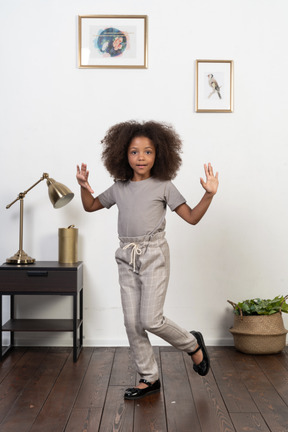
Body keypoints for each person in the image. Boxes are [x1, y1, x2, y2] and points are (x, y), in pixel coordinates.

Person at [76, 120, 219, 400]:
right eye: (134, 152)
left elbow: (191, 217)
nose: (141, 157)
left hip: (154, 255)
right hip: (125, 256)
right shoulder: (119, 187)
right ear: (122, 155)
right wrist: (83, 186)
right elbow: (91, 206)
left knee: (151, 319)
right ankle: (149, 377)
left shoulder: (164, 185)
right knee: (132, 322)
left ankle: (191, 343)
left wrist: (208, 194)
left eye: (148, 151)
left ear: (159, 154)